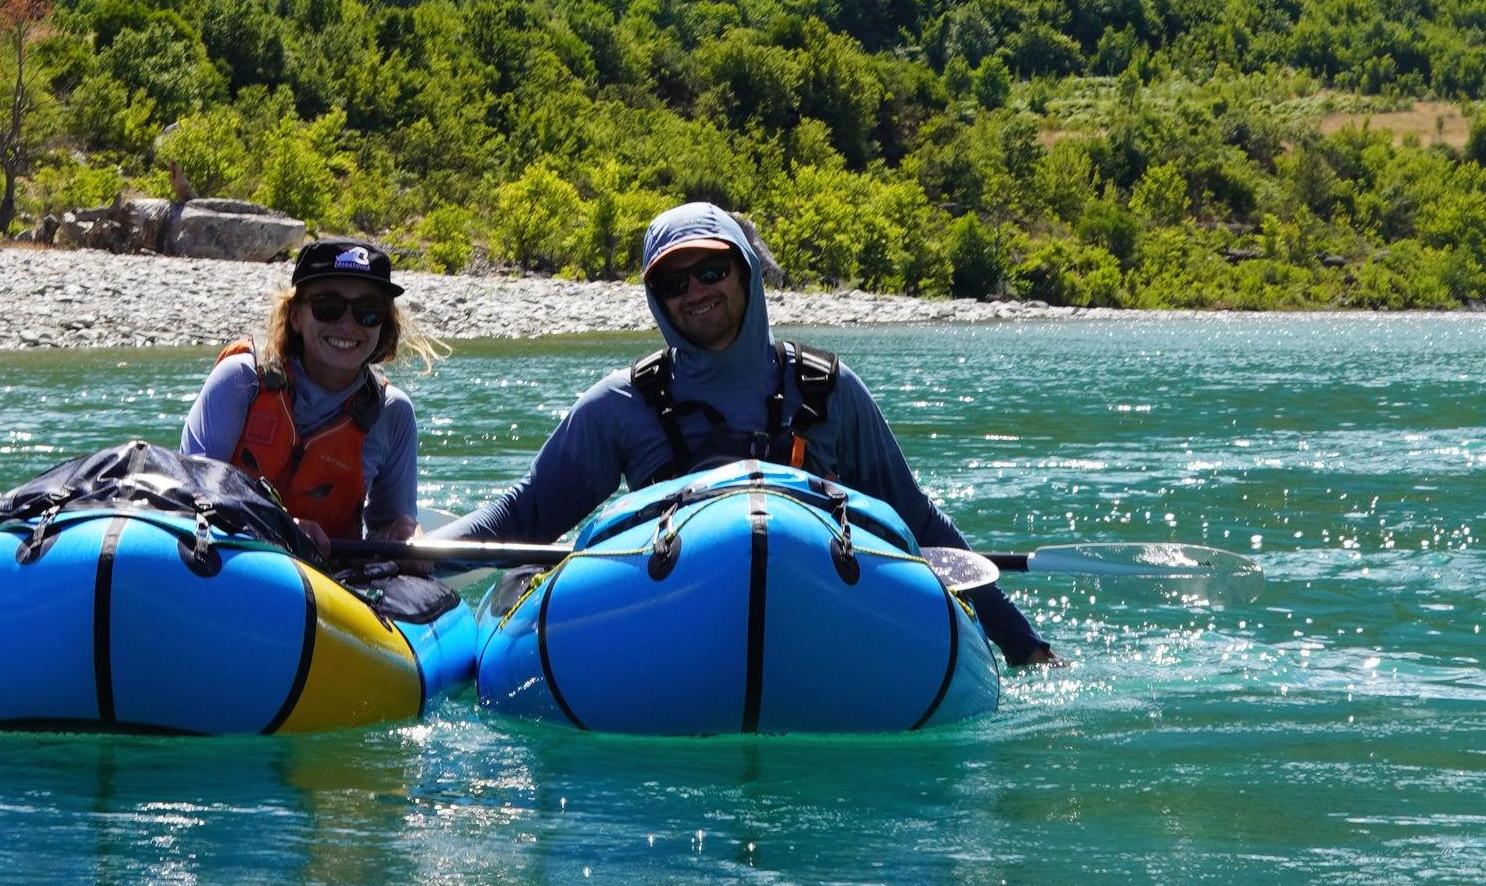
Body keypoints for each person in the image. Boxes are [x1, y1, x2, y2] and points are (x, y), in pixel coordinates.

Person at [441, 200, 1060, 666]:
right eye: (674, 283)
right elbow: (524, 514)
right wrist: (408, 560)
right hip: (667, 624)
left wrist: (1020, 643)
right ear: (657, 299)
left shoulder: (829, 389)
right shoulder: (620, 404)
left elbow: (918, 523)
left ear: (745, 272)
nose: (695, 292)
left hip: (823, 614)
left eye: (711, 270)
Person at [181, 238, 439, 549]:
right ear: (296, 317)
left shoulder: (392, 412)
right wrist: (282, 529)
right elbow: (190, 496)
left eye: (368, 311)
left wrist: (403, 533)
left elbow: (387, 532)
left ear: (383, 324)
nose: (347, 325)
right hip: (231, 561)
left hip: (331, 575)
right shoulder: (240, 379)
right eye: (328, 307)